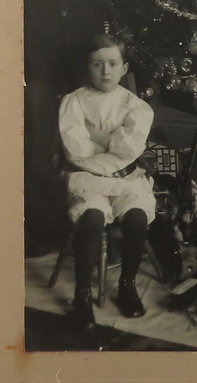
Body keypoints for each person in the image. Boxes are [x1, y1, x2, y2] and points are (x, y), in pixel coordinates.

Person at [23, 0, 112, 255]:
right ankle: (45, 234)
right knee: (40, 142)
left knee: (82, 138)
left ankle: (87, 227)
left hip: (78, 51)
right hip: (34, 51)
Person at [59, 35, 155, 330]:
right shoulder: (74, 101)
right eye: (97, 64)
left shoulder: (135, 106)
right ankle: (83, 295)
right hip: (88, 179)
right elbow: (76, 149)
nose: (105, 71)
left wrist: (97, 138)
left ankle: (127, 285)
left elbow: (130, 148)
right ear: (88, 67)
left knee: (137, 217)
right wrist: (111, 146)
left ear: (124, 68)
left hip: (127, 179)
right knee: (92, 218)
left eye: (112, 64)